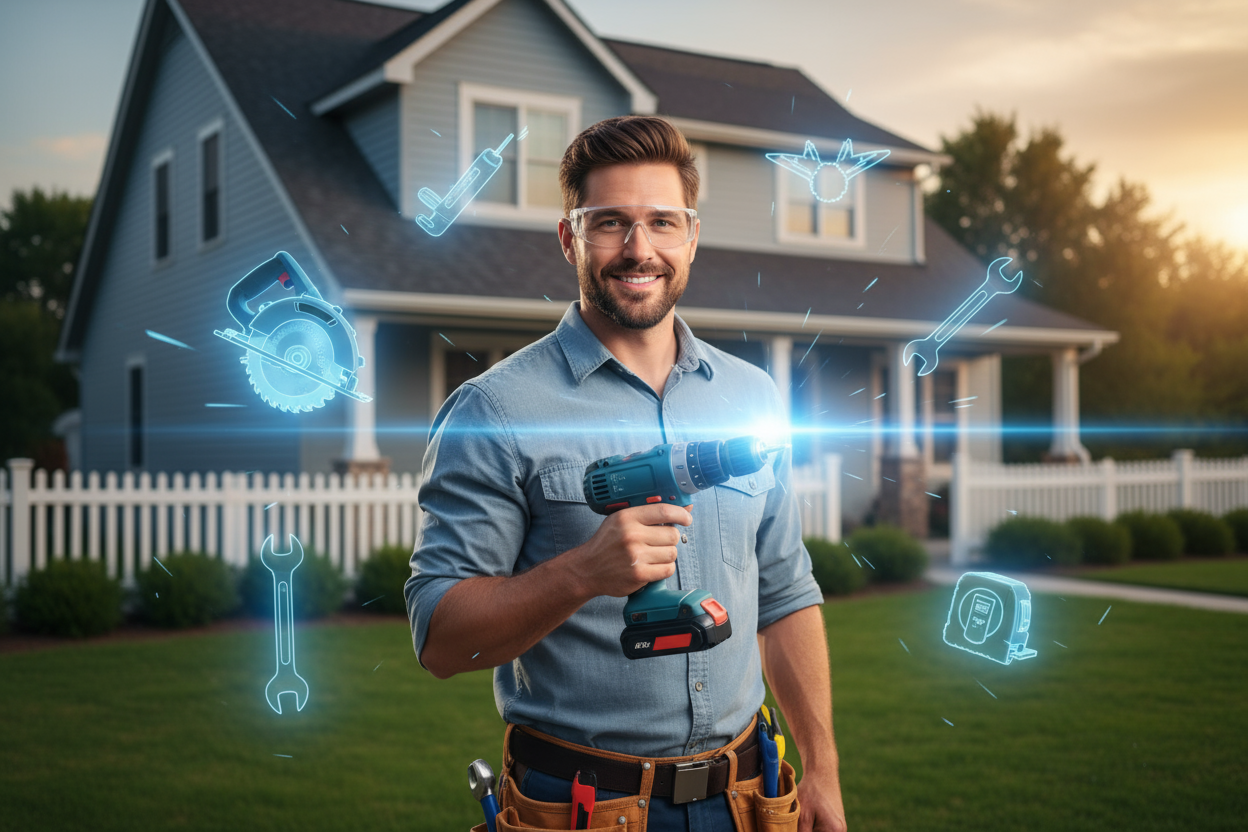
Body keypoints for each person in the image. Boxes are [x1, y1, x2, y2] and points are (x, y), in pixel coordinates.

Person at [406, 115, 847, 832]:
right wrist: (582, 572)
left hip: (748, 797)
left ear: (692, 236)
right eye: (609, 222)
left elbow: (785, 591)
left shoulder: (751, 398)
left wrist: (821, 767)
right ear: (568, 238)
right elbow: (441, 641)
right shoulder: (496, 410)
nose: (638, 249)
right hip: (583, 806)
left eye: (662, 222)